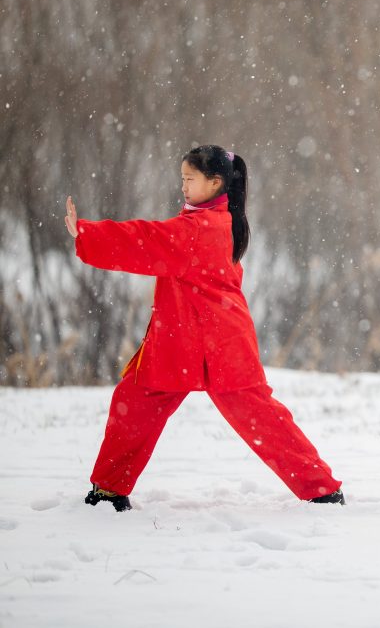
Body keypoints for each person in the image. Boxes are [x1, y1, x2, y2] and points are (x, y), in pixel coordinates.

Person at [65, 145, 344, 511]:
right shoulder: (215, 220)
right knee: (133, 404)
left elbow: (145, 240)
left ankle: (321, 489)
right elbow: (154, 239)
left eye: (189, 179)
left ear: (215, 183)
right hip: (184, 343)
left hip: (219, 344)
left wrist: (88, 234)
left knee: (261, 418)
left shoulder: (200, 228)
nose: (183, 186)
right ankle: (108, 489)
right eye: (182, 178)